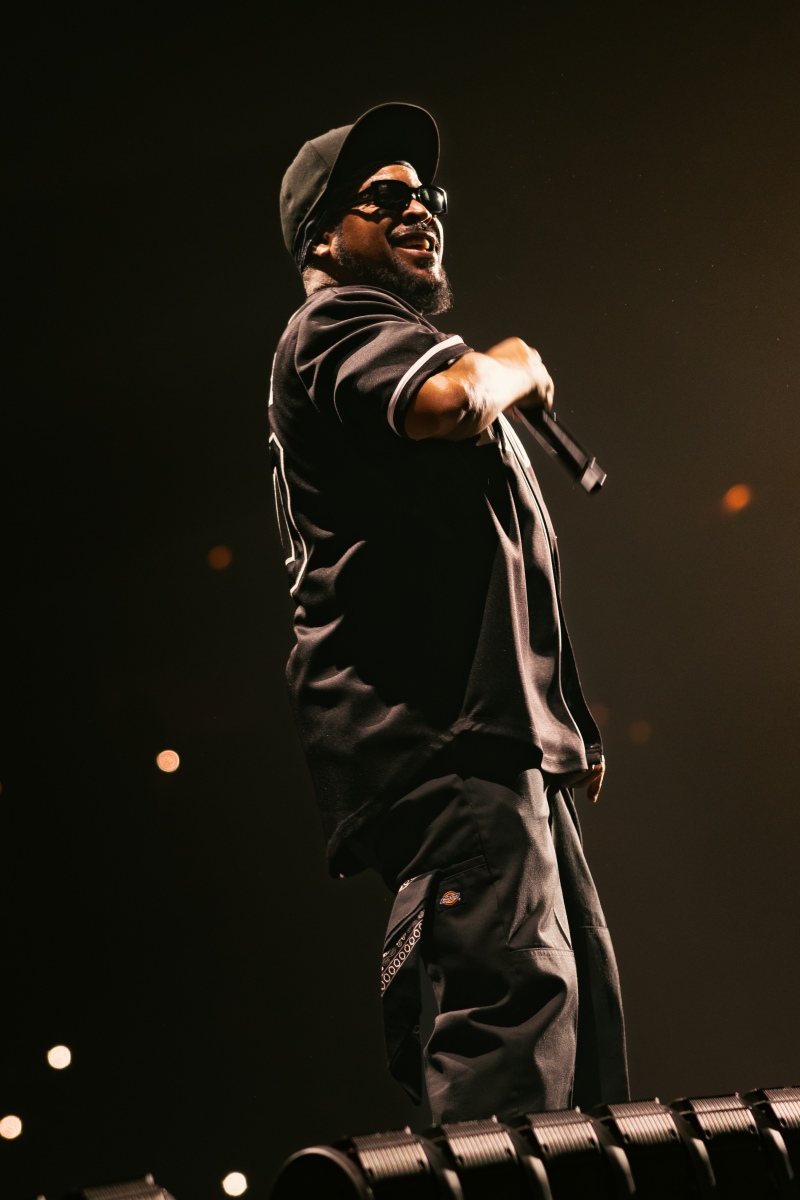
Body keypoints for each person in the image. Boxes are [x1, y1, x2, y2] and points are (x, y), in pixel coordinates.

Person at [270, 102, 629, 1124]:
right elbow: (452, 401)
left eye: (426, 193)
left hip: (494, 745)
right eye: (383, 198)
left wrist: (562, 723)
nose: (420, 208)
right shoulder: (337, 325)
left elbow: (490, 563)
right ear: (323, 239)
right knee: (511, 1034)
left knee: (579, 1047)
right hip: (442, 747)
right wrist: (514, 363)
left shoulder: (391, 339)